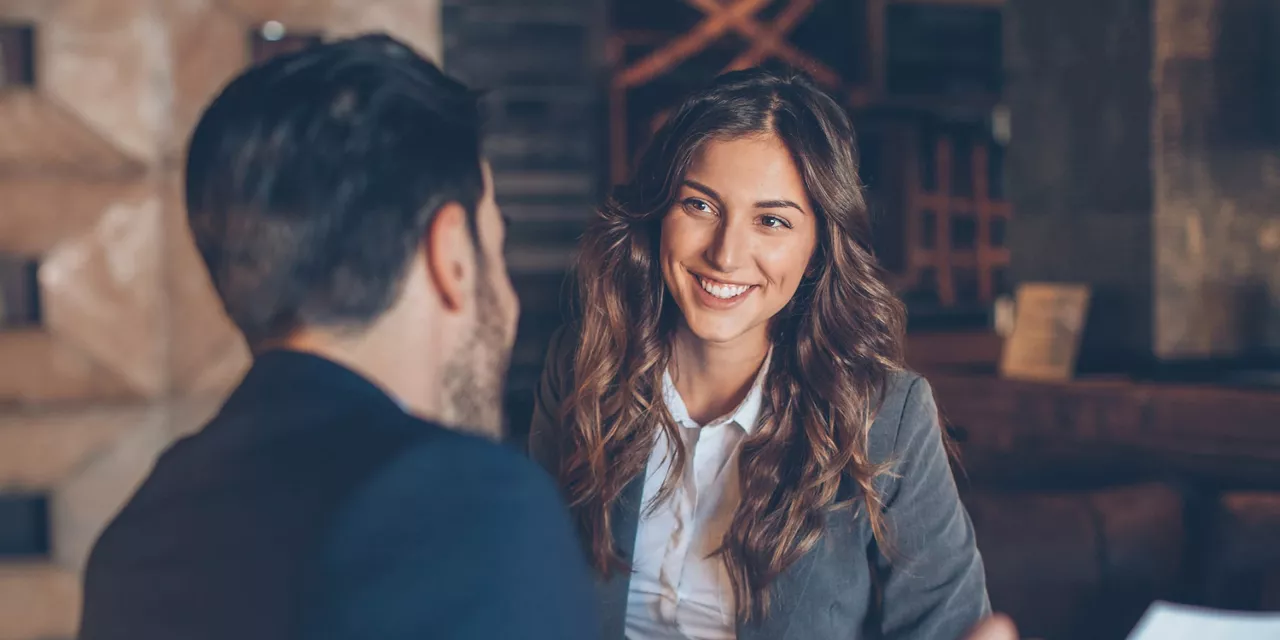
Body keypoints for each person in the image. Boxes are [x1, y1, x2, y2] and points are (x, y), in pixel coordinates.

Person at [79, 34, 596, 640]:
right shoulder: (468, 505)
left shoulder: (140, 533)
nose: (506, 302)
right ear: (452, 254)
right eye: (495, 247)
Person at [529, 67, 996, 640]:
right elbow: (525, 585)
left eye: (771, 221)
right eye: (699, 206)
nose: (727, 255)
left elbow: (950, 625)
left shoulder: (885, 415)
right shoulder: (584, 367)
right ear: (658, 212)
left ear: (820, 244)